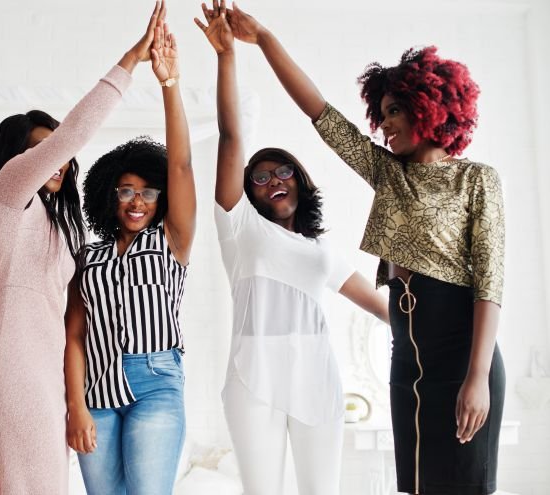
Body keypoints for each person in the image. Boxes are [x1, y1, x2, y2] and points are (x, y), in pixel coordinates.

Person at [223, 3, 506, 494]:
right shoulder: (387, 173)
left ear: (429, 107)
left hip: (461, 348)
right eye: (383, 113)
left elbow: (490, 281)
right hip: (406, 354)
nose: (385, 124)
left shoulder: (476, 179)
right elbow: (319, 112)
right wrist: (263, 38)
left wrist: (478, 376)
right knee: (415, 486)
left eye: (395, 111)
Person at [0, 3, 164, 493]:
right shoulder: (8, 193)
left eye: (57, 153)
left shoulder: (54, 225)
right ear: (17, 158)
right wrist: (131, 61)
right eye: (41, 150)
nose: (58, 160)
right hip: (12, 363)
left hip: (39, 368)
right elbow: (74, 135)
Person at [194, 2, 389, 494]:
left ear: (300, 181)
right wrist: (227, 56)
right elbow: (231, 135)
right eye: (260, 178)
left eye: (283, 172)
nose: (273, 180)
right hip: (253, 377)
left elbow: (381, 307)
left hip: (316, 376)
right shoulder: (239, 226)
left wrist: (449, 331)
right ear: (248, 192)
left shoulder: (319, 249)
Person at [63, 7, 195, 494]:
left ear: (161, 198)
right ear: (109, 197)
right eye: (125, 191)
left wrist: (169, 83)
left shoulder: (171, 240)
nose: (137, 201)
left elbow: (180, 165)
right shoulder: (88, 257)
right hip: (95, 390)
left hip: (156, 381)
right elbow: (74, 336)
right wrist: (75, 405)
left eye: (147, 192)